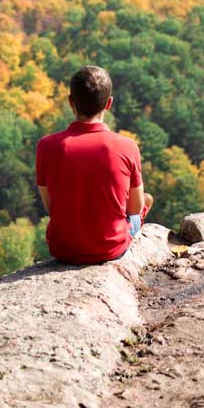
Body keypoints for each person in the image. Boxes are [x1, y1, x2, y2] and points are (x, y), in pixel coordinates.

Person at [35, 65, 153, 264]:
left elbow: (51, 206)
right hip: (111, 248)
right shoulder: (127, 146)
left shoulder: (46, 146)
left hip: (63, 249)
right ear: (109, 103)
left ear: (71, 102)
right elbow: (134, 208)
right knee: (146, 199)